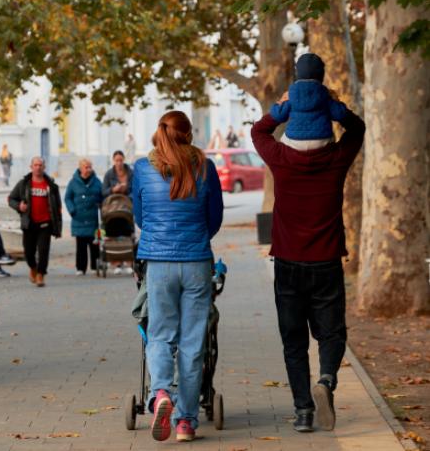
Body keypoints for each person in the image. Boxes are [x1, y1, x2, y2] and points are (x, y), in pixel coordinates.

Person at [251, 87, 365, 433]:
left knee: (294, 340)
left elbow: (258, 131)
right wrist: (334, 107)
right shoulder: (336, 159)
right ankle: (326, 380)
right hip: (327, 260)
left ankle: (303, 411)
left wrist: (281, 108)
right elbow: (357, 128)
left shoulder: (281, 158)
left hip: (287, 262)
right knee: (332, 334)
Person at [132, 110, 223, 442]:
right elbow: (214, 219)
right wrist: (196, 236)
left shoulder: (143, 168)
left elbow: (141, 217)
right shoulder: (205, 167)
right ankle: (185, 422)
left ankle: (160, 394)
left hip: (158, 263)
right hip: (197, 261)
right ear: (188, 134)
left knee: (160, 335)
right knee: (193, 342)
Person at [270, 52, 348, 151]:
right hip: (322, 140)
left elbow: (278, 115)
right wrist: (336, 101)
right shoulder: (325, 94)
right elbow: (340, 114)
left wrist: (279, 103)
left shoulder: (292, 94)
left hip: (294, 141)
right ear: (321, 74)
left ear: (298, 72)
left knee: (283, 139)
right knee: (332, 139)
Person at [8, 156, 62, 287]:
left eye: (40, 165)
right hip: (29, 223)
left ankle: (40, 274)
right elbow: (11, 199)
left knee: (43, 251)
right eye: (35, 165)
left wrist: (57, 225)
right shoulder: (24, 184)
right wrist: (19, 206)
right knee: (28, 252)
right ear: (31, 167)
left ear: (44, 167)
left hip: (45, 223)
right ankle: (33, 267)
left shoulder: (51, 185)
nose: (38, 167)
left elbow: (57, 206)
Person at [64, 159, 102, 276]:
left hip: (93, 218)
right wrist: (72, 210)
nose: (89, 169)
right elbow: (68, 198)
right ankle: (80, 267)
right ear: (80, 168)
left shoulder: (96, 182)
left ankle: (95, 266)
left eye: (90, 167)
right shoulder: (73, 182)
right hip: (78, 218)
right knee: (81, 245)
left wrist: (100, 205)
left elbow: (102, 195)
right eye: (86, 167)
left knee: (94, 243)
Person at [101, 150, 134, 274]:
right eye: (117, 161)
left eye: (121, 160)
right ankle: (116, 262)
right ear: (113, 161)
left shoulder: (131, 173)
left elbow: (135, 189)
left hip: (126, 207)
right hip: (113, 208)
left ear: (124, 160)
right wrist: (113, 189)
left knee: (127, 233)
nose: (119, 163)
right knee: (112, 233)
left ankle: (129, 261)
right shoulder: (109, 174)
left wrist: (127, 190)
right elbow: (103, 191)